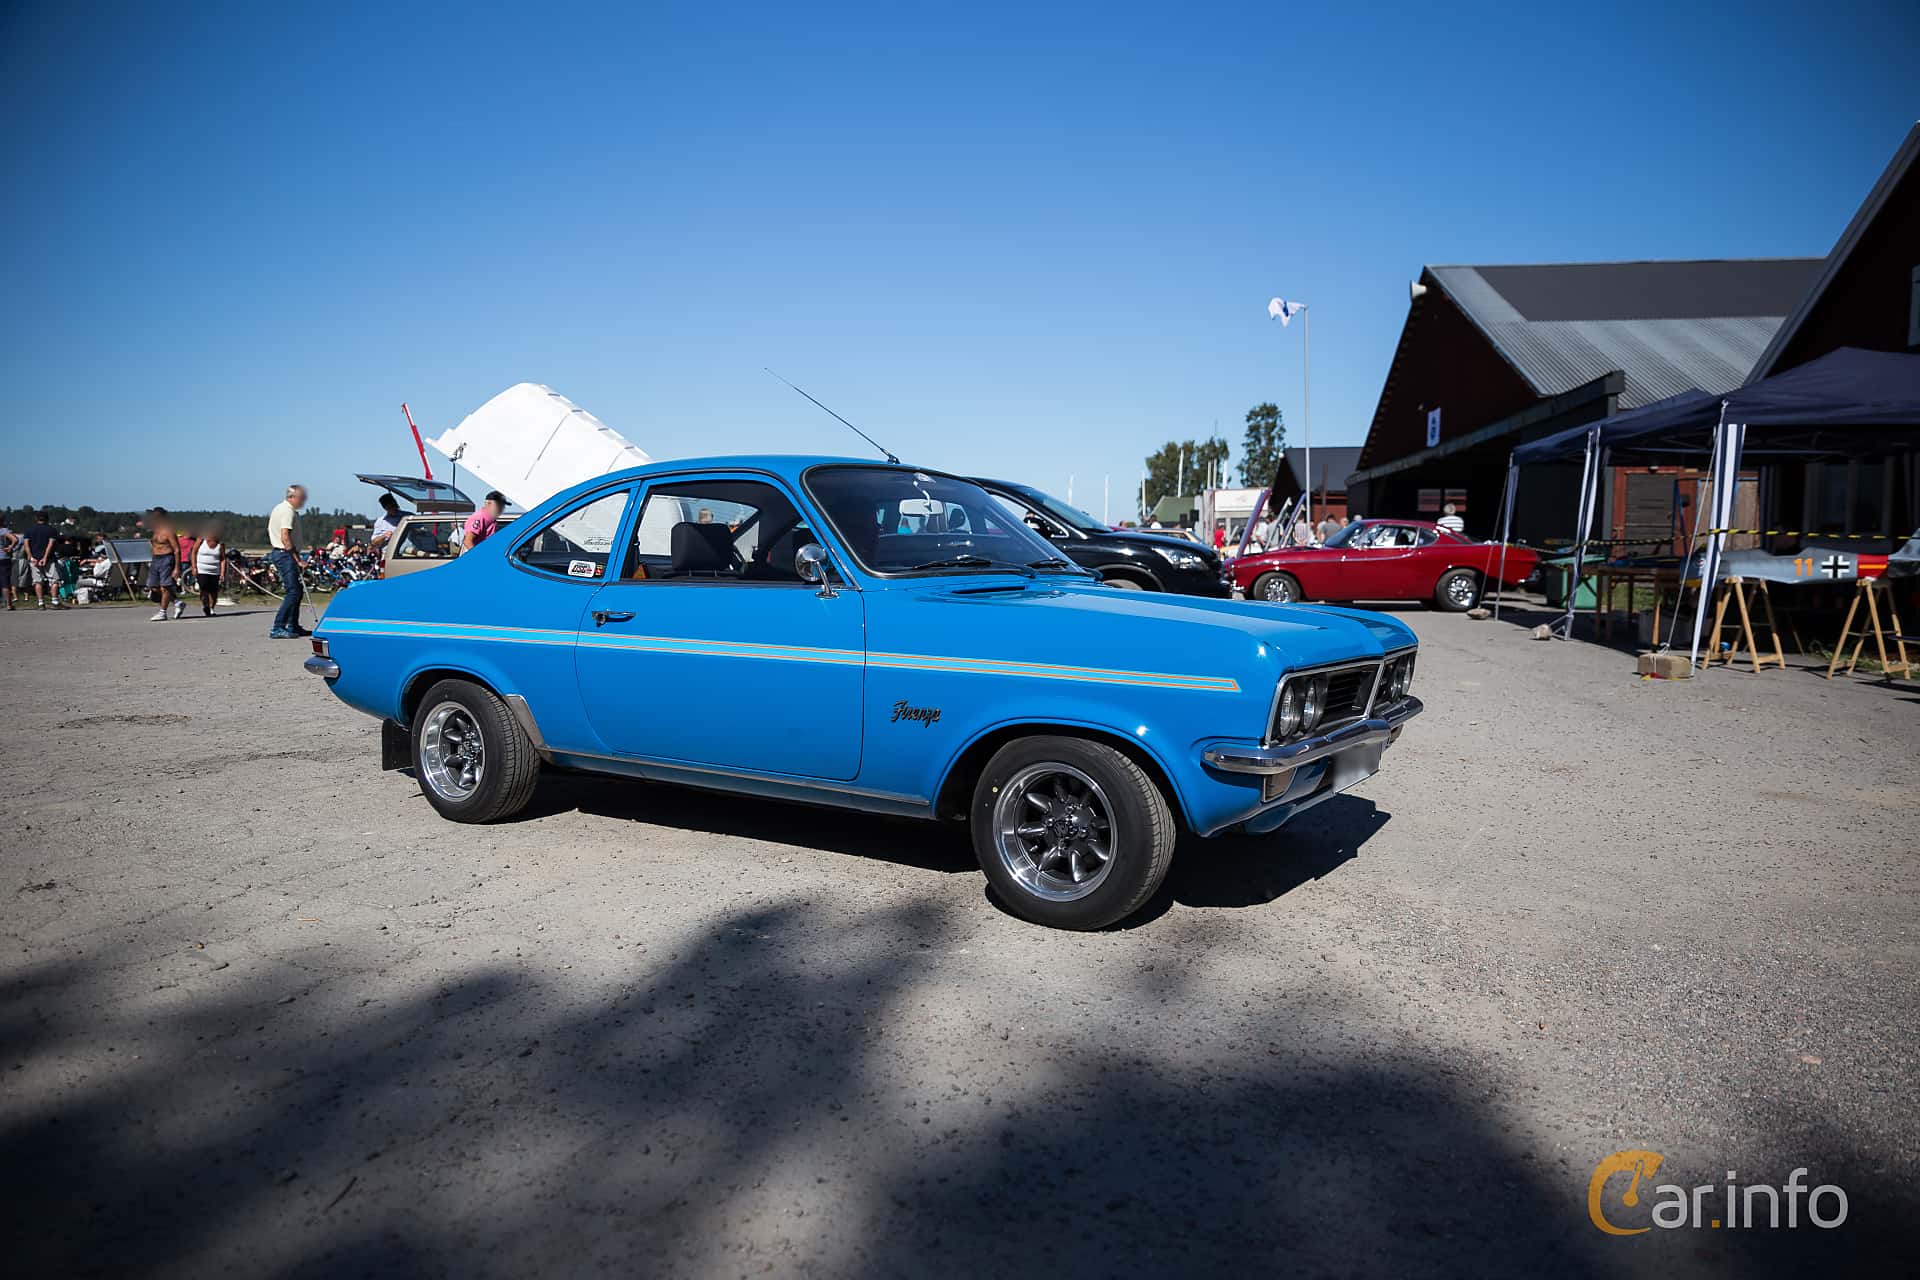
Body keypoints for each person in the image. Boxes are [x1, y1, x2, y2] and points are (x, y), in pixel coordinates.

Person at [267, 483, 309, 639]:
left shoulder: (285, 509)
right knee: (292, 591)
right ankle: (278, 626)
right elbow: (285, 536)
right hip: (285, 554)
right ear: (291, 497)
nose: (303, 501)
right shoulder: (287, 511)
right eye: (300, 498)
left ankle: (293, 625)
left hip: (285, 553)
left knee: (297, 591)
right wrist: (297, 559)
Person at [146, 507, 184, 621]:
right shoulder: (155, 531)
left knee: (165, 587)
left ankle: (163, 612)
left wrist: (177, 568)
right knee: (153, 586)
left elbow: (177, 549)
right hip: (155, 559)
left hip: (167, 559)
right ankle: (177, 602)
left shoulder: (168, 531)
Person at [22, 511, 65, 609]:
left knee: (37, 581)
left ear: (36, 519)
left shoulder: (29, 530)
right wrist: (45, 557)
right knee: (54, 580)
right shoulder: (51, 530)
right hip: (49, 559)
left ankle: (40, 603)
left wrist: (30, 556)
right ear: (47, 519)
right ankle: (55, 601)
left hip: (34, 559)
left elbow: (26, 545)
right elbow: (50, 544)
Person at [193, 520, 227, 617]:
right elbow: (193, 552)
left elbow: (223, 559)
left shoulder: (221, 544)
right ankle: (205, 605)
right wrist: (194, 567)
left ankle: (211, 608)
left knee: (213, 592)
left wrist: (222, 573)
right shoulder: (201, 540)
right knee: (203, 589)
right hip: (202, 569)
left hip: (214, 571)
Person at [0, 513, 16, 611]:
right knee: (5, 582)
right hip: (3, 557)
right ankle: (9, 605)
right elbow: (15, 539)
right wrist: (10, 546)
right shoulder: (4, 530)